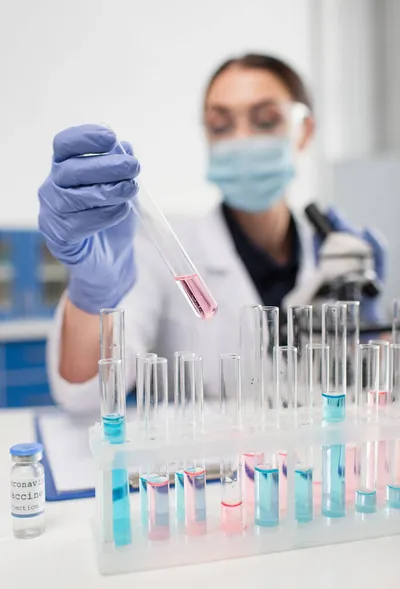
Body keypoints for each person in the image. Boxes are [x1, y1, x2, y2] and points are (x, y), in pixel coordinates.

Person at [38, 53, 386, 413]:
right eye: (221, 125)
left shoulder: (334, 255)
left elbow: (362, 390)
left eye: (265, 121)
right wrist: (92, 297)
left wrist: (370, 333)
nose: (242, 140)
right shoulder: (157, 251)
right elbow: (82, 395)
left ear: (305, 131)